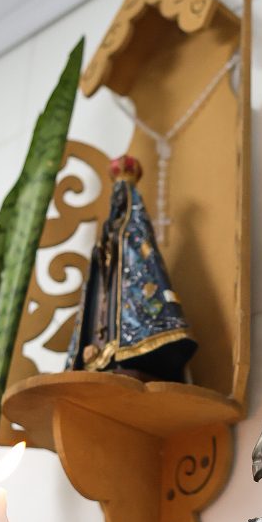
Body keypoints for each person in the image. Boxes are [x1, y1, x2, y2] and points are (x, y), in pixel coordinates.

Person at [65, 155, 197, 382]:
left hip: (129, 295)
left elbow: (145, 260)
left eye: (123, 192)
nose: (119, 198)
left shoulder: (134, 230)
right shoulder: (107, 235)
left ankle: (126, 350)